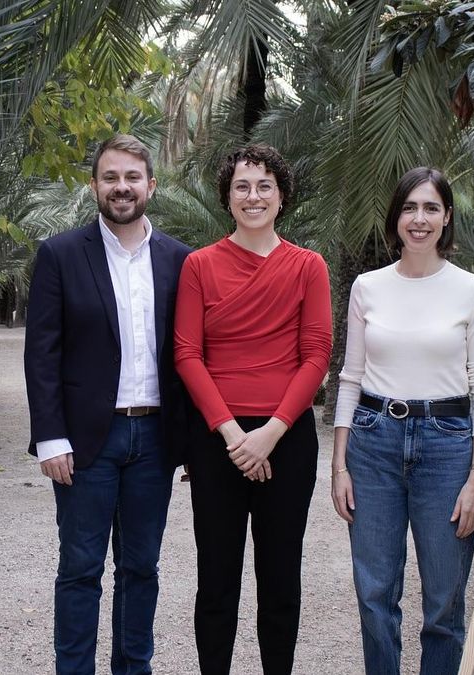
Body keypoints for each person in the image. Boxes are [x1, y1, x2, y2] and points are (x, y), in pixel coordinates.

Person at [24, 134, 193, 675]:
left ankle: (133, 668)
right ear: (94, 185)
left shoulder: (180, 260)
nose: (122, 187)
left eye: (132, 177)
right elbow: (42, 354)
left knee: (141, 568)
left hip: (155, 440)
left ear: (151, 186)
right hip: (84, 441)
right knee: (80, 569)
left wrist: (191, 441)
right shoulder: (60, 255)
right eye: (111, 177)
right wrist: (50, 437)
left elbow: (190, 354)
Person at [330, 167, 474, 675]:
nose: (419, 219)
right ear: (395, 218)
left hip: (448, 448)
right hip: (373, 442)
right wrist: (339, 466)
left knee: (444, 601)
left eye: (430, 208)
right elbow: (350, 377)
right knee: (374, 593)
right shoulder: (367, 287)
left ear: (447, 218)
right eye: (409, 208)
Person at [174, 144, 333, 674]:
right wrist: (232, 434)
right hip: (218, 441)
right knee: (216, 579)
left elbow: (316, 356)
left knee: (281, 578)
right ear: (227, 198)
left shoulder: (308, 266)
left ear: (281, 196)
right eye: (242, 186)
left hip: (286, 440)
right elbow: (187, 354)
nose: (253, 196)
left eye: (265, 185)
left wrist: (270, 432)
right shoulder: (199, 265)